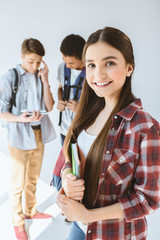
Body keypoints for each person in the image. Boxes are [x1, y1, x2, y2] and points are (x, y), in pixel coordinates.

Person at [56, 27, 160, 240]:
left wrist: (89, 215)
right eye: (92, 65)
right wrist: (67, 178)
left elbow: (148, 199)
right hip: (78, 229)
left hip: (114, 234)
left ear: (129, 67)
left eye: (109, 63)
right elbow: (71, 158)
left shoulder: (145, 127)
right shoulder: (86, 112)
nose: (98, 74)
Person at [0, 38, 56, 240]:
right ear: (22, 56)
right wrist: (20, 118)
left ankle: (30, 211)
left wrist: (45, 79)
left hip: (38, 132)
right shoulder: (10, 77)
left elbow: (50, 108)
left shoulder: (39, 75)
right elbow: (1, 111)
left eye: (39, 62)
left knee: (33, 177)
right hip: (18, 135)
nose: (35, 66)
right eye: (31, 61)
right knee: (17, 184)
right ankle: (18, 222)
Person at [52, 34, 86, 191]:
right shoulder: (62, 68)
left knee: (80, 169)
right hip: (64, 128)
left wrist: (80, 107)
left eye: (71, 62)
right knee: (67, 165)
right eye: (65, 61)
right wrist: (60, 101)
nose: (67, 65)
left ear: (83, 56)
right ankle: (64, 195)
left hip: (82, 130)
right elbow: (60, 88)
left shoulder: (93, 74)